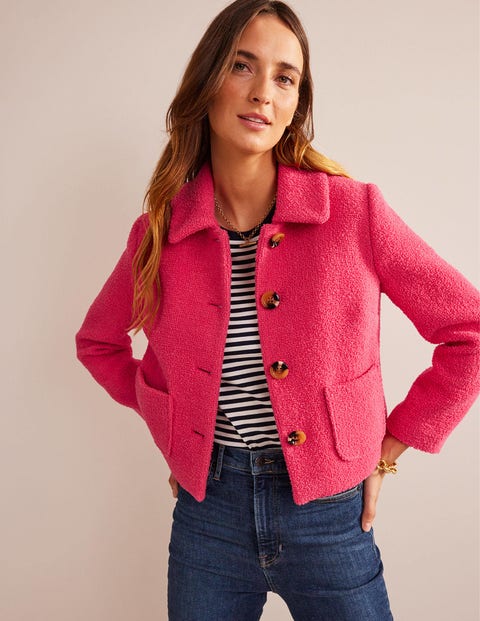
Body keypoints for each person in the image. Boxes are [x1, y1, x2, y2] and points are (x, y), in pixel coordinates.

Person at [75, 1, 480, 619]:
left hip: (331, 515)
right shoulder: (161, 233)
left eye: (285, 77)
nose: (263, 91)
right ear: (207, 81)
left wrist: (391, 449)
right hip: (207, 518)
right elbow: (99, 344)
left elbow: (469, 330)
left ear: (296, 104)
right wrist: (175, 427)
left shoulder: (353, 213)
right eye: (242, 65)